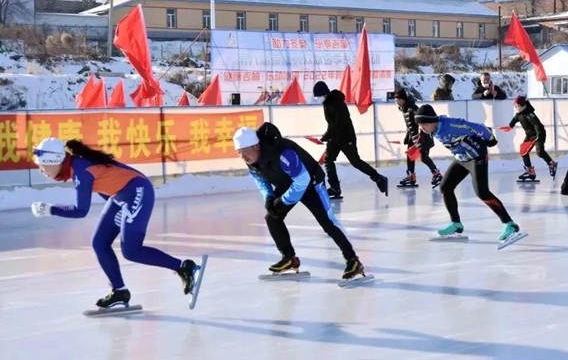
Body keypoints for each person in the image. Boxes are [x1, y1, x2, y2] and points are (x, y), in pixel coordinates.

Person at [30, 138, 200, 310]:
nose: (41, 170)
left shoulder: (80, 170)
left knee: (131, 251)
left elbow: (80, 210)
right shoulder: (77, 166)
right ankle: (119, 291)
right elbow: (107, 185)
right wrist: (118, 209)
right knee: (99, 243)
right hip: (121, 196)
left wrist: (51, 209)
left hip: (137, 191)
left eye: (42, 166)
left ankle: (184, 267)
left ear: (54, 161)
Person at [233, 122, 366, 281]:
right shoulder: (251, 161)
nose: (242, 157)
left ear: (256, 146)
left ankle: (353, 260)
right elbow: (261, 181)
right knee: (272, 217)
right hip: (287, 184)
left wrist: (282, 201)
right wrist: (269, 198)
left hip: (311, 183)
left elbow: (302, 180)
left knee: (328, 222)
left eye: (244, 152)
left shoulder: (282, 153)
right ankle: (289, 258)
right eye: (238, 153)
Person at [414, 105, 524, 245]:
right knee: (445, 187)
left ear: (433, 121)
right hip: (462, 158)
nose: (422, 128)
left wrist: (490, 139)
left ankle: (509, 224)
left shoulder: (451, 124)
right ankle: (456, 224)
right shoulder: (433, 129)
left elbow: (477, 127)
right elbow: (426, 137)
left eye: (424, 124)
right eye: (420, 125)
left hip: (477, 156)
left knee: (482, 192)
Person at [312, 81, 388, 199]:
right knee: (328, 160)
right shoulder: (326, 104)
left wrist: (326, 136)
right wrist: (328, 136)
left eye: (318, 96)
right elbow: (332, 124)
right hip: (335, 138)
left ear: (324, 94)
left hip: (346, 137)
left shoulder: (337, 103)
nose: (317, 99)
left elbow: (340, 123)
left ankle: (379, 178)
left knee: (355, 161)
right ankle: (335, 187)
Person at [394, 89, 443, 188]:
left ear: (404, 99)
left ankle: (437, 175)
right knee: (410, 156)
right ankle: (411, 176)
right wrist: (407, 137)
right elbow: (410, 126)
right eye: (396, 100)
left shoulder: (412, 108)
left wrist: (422, 136)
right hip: (414, 138)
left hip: (422, 137)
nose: (397, 102)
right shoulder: (405, 109)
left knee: (423, 157)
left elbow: (422, 120)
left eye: (399, 99)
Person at [507, 95, 558, 181]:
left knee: (540, 152)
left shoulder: (529, 114)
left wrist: (539, 135)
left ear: (522, 105)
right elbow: (515, 119)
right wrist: (510, 125)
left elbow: (536, 124)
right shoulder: (519, 114)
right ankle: (530, 171)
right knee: (523, 151)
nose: (516, 107)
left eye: (518, 105)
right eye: (515, 106)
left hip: (539, 134)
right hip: (530, 135)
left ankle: (551, 163)